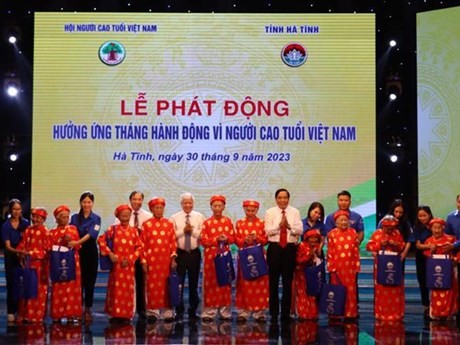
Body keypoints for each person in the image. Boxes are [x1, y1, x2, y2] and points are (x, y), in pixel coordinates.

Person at [98, 204, 143, 323]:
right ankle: (114, 313)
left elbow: (139, 248)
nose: (126, 216)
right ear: (118, 216)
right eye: (123, 214)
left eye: (128, 214)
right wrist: (110, 254)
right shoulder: (113, 229)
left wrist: (129, 259)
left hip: (128, 267)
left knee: (128, 290)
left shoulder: (134, 232)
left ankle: (126, 314)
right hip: (116, 266)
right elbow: (101, 240)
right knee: (115, 289)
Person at [264, 188, 302, 322]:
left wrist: (289, 226)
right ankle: (273, 312)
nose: (282, 200)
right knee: (273, 282)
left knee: (287, 282)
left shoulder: (295, 212)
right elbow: (267, 231)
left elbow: (299, 230)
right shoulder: (270, 212)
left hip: (289, 249)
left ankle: (286, 313)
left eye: (285, 197)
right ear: (276, 199)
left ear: (288, 199)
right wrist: (279, 227)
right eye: (280, 198)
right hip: (274, 248)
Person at [115, 191, 152, 319]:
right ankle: (123, 309)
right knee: (124, 283)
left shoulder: (148, 216)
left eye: (139, 199)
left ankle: (141, 309)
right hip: (124, 256)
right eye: (134, 199)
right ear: (130, 200)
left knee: (141, 282)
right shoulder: (122, 214)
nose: (137, 202)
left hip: (141, 254)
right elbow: (115, 234)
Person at [140, 197, 178, 323]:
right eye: (156, 208)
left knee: (167, 286)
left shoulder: (168, 224)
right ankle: (153, 312)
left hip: (166, 261)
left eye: (161, 208)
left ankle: (167, 312)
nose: (159, 210)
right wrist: (144, 261)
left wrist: (173, 259)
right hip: (152, 262)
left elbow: (173, 243)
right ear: (151, 209)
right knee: (152, 286)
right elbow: (142, 245)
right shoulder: (146, 225)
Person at [169, 192, 205, 320]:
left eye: (190, 202)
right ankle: (179, 310)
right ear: (181, 204)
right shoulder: (174, 218)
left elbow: (203, 235)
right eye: (185, 202)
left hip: (194, 253)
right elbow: (170, 236)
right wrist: (183, 231)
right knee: (179, 283)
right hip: (180, 253)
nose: (188, 205)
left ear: (193, 203)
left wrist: (193, 231)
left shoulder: (199, 217)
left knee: (194, 283)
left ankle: (193, 310)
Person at [200, 195, 235, 321]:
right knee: (211, 283)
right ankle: (209, 312)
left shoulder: (228, 221)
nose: (217, 208)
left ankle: (225, 311)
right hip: (211, 259)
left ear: (224, 207)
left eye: (220, 206)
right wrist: (216, 239)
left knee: (225, 283)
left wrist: (226, 239)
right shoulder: (207, 223)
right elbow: (203, 241)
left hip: (224, 257)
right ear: (211, 207)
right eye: (215, 206)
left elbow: (233, 238)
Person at [234, 199, 269, 322]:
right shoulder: (239, 223)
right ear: (244, 209)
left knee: (260, 283)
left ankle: (260, 313)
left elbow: (266, 240)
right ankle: (243, 312)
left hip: (259, 257)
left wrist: (257, 238)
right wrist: (244, 240)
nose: (250, 212)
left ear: (257, 210)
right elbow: (236, 240)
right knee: (244, 283)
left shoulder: (262, 223)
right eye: (248, 210)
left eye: (253, 210)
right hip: (244, 258)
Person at [366, 215, 405, 321]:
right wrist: (379, 245)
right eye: (387, 227)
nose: (389, 229)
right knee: (381, 287)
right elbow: (368, 246)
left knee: (395, 288)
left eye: (391, 227)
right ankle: (381, 313)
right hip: (381, 264)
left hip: (394, 264)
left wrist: (395, 244)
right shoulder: (377, 233)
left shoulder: (397, 233)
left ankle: (396, 314)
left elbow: (402, 246)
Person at [69, 191, 101, 322]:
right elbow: (71, 231)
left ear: (92, 203)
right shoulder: (74, 218)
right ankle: (77, 309)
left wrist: (77, 242)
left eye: (89, 202)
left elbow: (92, 234)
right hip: (77, 252)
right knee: (78, 281)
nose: (86, 204)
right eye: (84, 202)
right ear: (80, 203)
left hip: (90, 251)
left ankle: (88, 308)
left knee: (90, 282)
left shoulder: (96, 218)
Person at [16, 207, 51, 323]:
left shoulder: (46, 232)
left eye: (38, 217)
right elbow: (22, 244)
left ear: (43, 219)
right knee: (25, 290)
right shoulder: (28, 230)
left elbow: (47, 251)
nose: (35, 219)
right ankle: (24, 314)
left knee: (38, 292)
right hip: (27, 265)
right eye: (34, 216)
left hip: (40, 268)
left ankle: (36, 316)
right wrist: (20, 253)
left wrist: (32, 254)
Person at [49, 205, 82, 323]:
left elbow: (78, 246)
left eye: (67, 217)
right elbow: (50, 249)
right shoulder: (52, 232)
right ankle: (57, 314)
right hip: (58, 263)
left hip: (73, 261)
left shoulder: (73, 229)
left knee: (72, 287)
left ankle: (71, 314)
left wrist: (71, 241)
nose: (66, 219)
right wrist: (62, 241)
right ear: (57, 219)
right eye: (63, 217)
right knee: (58, 286)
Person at [326, 210, 361, 319]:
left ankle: (350, 313)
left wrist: (356, 266)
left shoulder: (353, 233)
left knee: (350, 290)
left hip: (350, 268)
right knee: (336, 290)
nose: (344, 222)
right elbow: (330, 251)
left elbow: (356, 251)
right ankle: (335, 313)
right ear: (336, 222)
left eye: (345, 220)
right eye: (341, 220)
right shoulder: (332, 233)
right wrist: (331, 267)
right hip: (336, 267)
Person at [423, 218, 458, 320]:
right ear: (431, 229)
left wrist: (455, 259)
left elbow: (458, 251)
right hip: (434, 272)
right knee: (435, 290)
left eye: (439, 228)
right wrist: (431, 251)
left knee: (450, 291)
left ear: (443, 228)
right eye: (434, 228)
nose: (437, 230)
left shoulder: (451, 239)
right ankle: (435, 313)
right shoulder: (429, 241)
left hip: (449, 270)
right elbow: (425, 253)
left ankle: (449, 313)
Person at [1, 199, 30, 322]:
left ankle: (22, 312)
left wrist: (24, 253)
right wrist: (19, 252)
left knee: (23, 285)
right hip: (11, 257)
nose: (16, 211)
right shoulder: (5, 226)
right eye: (14, 209)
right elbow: (7, 246)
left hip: (23, 258)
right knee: (11, 285)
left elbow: (29, 240)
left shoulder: (25, 223)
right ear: (10, 210)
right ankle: (11, 311)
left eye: (19, 209)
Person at [291, 229, 322, 321]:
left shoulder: (317, 247)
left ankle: (312, 313)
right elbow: (298, 261)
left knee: (312, 294)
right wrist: (309, 256)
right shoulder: (301, 246)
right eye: (311, 238)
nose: (313, 240)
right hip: (301, 274)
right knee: (302, 294)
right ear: (307, 238)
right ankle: (302, 313)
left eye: (316, 238)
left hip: (312, 275)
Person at [377, 199, 414, 274]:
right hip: (385, 254)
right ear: (392, 210)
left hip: (399, 255)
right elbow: (377, 237)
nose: (398, 214)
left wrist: (404, 253)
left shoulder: (406, 223)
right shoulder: (383, 221)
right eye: (396, 211)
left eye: (401, 212)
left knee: (398, 276)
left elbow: (409, 240)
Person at [413, 205, 433, 317]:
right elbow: (418, 245)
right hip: (421, 259)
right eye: (420, 216)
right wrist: (429, 246)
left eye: (424, 215)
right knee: (423, 281)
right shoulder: (416, 228)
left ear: (429, 215)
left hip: (434, 259)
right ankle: (426, 306)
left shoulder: (435, 226)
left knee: (435, 280)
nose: (422, 218)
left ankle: (436, 305)